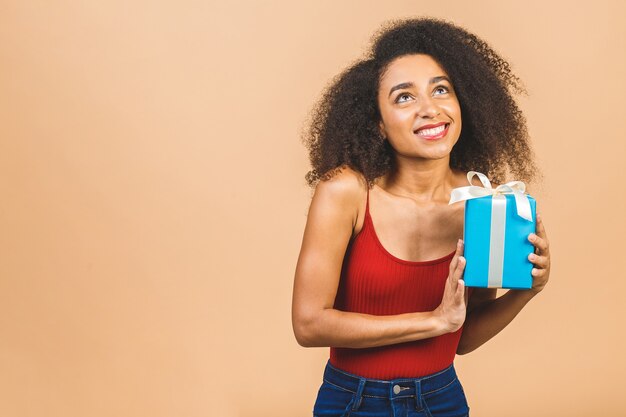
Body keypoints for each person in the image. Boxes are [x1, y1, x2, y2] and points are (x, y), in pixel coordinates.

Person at [291, 17, 551, 417]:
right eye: (404, 97)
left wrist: (527, 290)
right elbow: (308, 325)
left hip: (441, 399)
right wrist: (431, 322)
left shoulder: (482, 201)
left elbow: (463, 335)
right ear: (378, 123)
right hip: (353, 401)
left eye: (441, 89)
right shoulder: (346, 192)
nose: (430, 109)